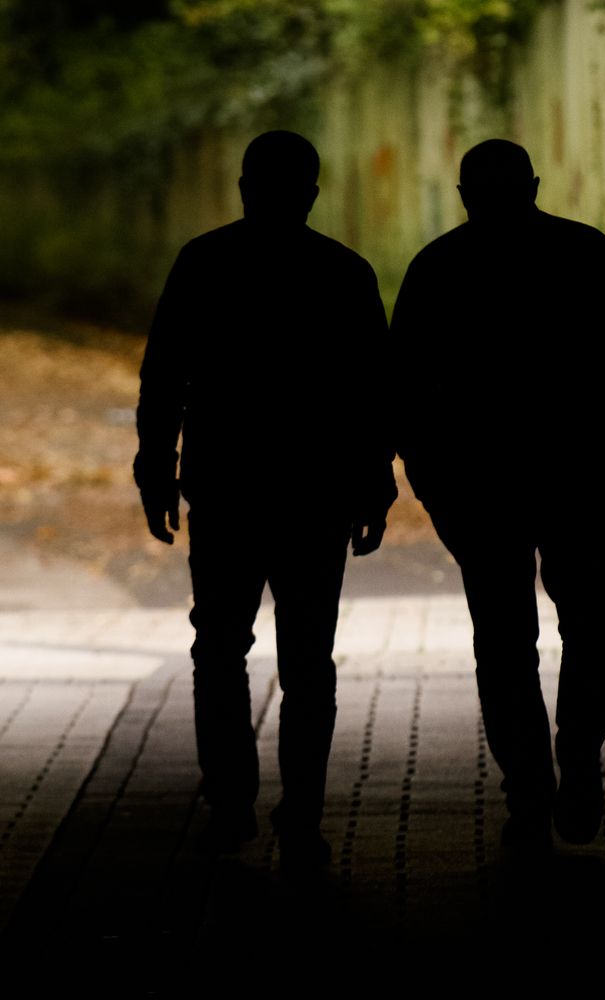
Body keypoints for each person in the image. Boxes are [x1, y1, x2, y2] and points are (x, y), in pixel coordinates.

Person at [390, 138, 605, 852]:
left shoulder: (438, 267)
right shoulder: (586, 253)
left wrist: (428, 481)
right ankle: (578, 757)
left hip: (478, 486)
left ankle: (528, 786)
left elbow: (403, 393)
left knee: (505, 640)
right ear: (535, 184)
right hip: (573, 474)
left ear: (462, 194)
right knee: (593, 623)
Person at [133, 130, 397, 863]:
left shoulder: (204, 262)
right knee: (309, 656)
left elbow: (164, 378)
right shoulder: (344, 273)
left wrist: (157, 468)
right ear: (313, 193)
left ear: (244, 186)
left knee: (219, 646)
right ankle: (302, 814)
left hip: (226, 486)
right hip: (318, 491)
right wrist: (376, 481)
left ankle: (229, 801)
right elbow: (375, 394)